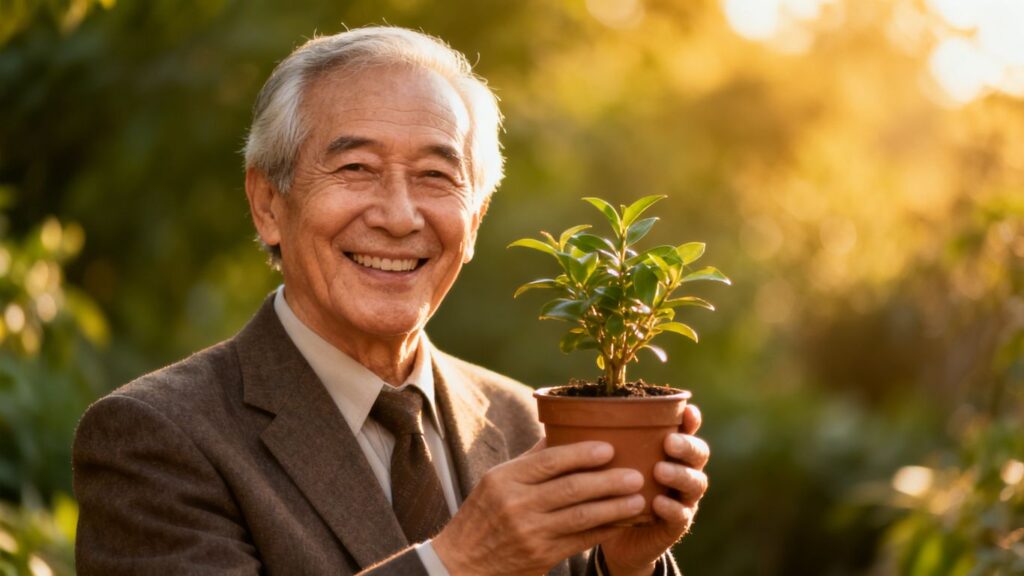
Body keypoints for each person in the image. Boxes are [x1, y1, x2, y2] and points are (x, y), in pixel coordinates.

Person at [72, 26, 710, 576]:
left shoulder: (528, 425)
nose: (400, 217)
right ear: (268, 204)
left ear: (476, 219)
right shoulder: (155, 439)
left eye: (436, 176)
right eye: (355, 169)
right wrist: (457, 562)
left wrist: (625, 565)